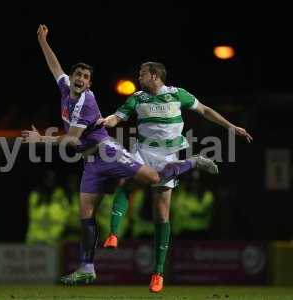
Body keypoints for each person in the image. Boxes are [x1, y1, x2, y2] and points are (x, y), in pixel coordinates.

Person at [21, 24, 217, 285]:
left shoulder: (85, 101)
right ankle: (87, 268)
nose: (79, 79)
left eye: (84, 77)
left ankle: (193, 161)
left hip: (108, 153)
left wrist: (39, 138)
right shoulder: (66, 89)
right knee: (85, 215)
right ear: (71, 77)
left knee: (154, 177)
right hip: (90, 162)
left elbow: (71, 140)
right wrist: (42, 40)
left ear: (89, 84)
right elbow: (54, 66)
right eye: (77, 74)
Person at [98, 61, 253, 292]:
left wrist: (231, 126)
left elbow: (205, 111)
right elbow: (117, 118)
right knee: (126, 183)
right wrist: (104, 121)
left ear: (154, 76)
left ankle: (158, 274)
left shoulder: (178, 95)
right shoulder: (137, 98)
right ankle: (113, 234)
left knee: (162, 215)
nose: (138, 78)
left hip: (169, 155)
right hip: (143, 152)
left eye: (141, 74)